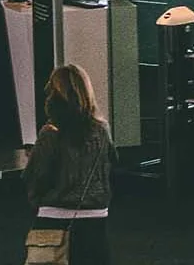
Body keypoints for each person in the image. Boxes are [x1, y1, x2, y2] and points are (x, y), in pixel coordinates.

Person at [23, 64, 113, 265]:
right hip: (96, 217)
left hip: (55, 216)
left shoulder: (50, 133)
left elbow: (36, 178)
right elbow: (108, 169)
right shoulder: (102, 131)